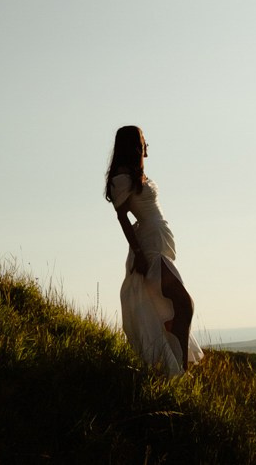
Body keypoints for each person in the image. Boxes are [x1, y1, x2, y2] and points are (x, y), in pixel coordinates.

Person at [106, 124, 200, 373]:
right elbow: (122, 218)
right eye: (143, 141)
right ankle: (179, 364)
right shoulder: (122, 178)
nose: (147, 145)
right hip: (148, 246)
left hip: (158, 239)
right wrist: (138, 253)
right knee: (184, 303)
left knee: (180, 304)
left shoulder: (137, 175)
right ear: (134, 146)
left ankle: (179, 366)